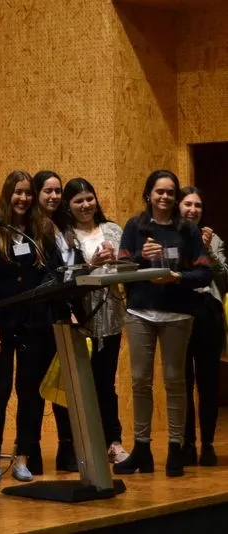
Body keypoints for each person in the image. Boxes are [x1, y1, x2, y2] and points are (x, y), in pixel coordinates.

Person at [116, 170, 211, 478]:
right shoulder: (135, 226)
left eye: (171, 192)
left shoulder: (188, 230)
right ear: (149, 195)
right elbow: (121, 270)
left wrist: (177, 277)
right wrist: (142, 259)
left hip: (178, 315)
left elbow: (204, 274)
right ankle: (141, 449)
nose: (165, 197)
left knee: (175, 383)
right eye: (160, 191)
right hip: (141, 313)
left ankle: (175, 447)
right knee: (140, 382)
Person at [0, 170, 60, 483]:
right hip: (1, 325)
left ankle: (23, 456)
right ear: (7, 194)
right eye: (18, 193)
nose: (23, 199)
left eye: (27, 193)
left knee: (30, 393)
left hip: (34, 325)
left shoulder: (43, 231)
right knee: (0, 391)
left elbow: (52, 273)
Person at [58, 178, 129, 464]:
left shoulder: (112, 229)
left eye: (89, 198)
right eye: (78, 201)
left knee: (105, 382)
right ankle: (76, 445)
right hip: (78, 317)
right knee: (74, 384)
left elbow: (128, 264)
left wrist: (118, 262)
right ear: (69, 205)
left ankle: (113, 441)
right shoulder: (63, 235)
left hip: (110, 315)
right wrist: (93, 266)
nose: (86, 205)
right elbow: (64, 276)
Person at [31, 170, 76, 472]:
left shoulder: (66, 227)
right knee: (35, 386)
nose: (54, 196)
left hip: (65, 313)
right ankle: (31, 451)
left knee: (64, 386)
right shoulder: (33, 229)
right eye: (47, 190)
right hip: (38, 317)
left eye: (58, 191)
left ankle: (68, 449)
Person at [179, 186, 226, 467]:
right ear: (178, 206)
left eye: (197, 205)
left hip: (209, 309)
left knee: (208, 381)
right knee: (181, 382)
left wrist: (209, 249)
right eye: (188, 204)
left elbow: (223, 276)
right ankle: (186, 443)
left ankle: (207, 443)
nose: (193, 210)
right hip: (180, 310)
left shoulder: (213, 237)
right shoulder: (169, 234)